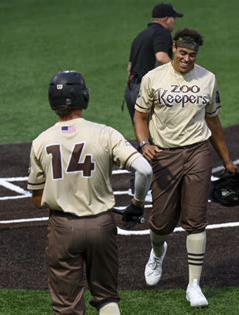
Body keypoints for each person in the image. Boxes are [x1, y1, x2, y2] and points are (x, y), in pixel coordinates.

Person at [27, 70, 152, 315]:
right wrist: (137, 204)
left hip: (62, 229)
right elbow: (145, 169)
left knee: (66, 306)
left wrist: (62, 192)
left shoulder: (41, 142)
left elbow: (37, 199)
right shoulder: (104, 133)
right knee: (106, 297)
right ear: (84, 97)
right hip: (101, 226)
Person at [132, 28, 237, 308]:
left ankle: (194, 285)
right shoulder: (153, 78)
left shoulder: (208, 78)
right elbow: (140, 115)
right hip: (164, 155)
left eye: (192, 55)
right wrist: (144, 143)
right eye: (182, 53)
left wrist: (227, 161)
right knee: (162, 223)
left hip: (197, 152)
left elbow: (213, 121)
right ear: (174, 49)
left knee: (196, 220)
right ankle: (157, 252)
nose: (187, 59)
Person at [124, 2, 184, 122]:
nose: (174, 22)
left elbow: (129, 68)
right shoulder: (162, 33)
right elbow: (161, 57)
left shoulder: (140, 36)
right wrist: (180, 74)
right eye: (174, 18)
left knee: (142, 133)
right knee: (160, 133)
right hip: (146, 90)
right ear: (167, 19)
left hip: (131, 91)